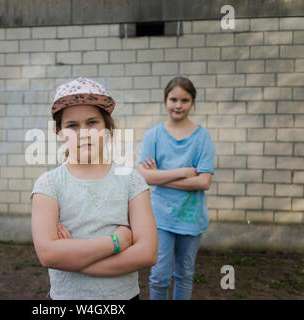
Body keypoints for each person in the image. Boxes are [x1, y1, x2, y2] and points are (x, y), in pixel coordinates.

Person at [30, 76, 158, 300]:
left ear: (107, 126)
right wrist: (115, 242)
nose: (84, 132)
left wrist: (73, 259)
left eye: (92, 122)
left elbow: (147, 253)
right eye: (72, 125)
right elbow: (48, 254)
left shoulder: (132, 181)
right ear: (59, 131)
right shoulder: (49, 184)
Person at [137, 76, 215, 300]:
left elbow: (203, 182)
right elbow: (143, 176)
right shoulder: (153, 135)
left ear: (192, 102)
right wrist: (184, 171)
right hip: (160, 217)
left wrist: (158, 176)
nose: (178, 105)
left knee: (184, 274)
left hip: (191, 217)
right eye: (173, 99)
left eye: (185, 100)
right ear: (165, 101)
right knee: (159, 276)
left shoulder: (203, 138)